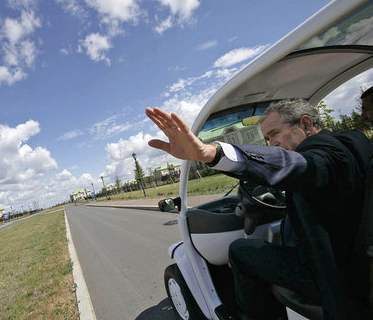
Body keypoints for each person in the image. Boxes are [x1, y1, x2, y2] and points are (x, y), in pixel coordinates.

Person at [146, 99, 373, 319]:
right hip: (355, 257)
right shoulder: (355, 141)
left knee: (240, 250)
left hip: (334, 276)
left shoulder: (323, 157)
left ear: (306, 124)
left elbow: (296, 166)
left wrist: (213, 154)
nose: (271, 144)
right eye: (266, 138)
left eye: (275, 133)